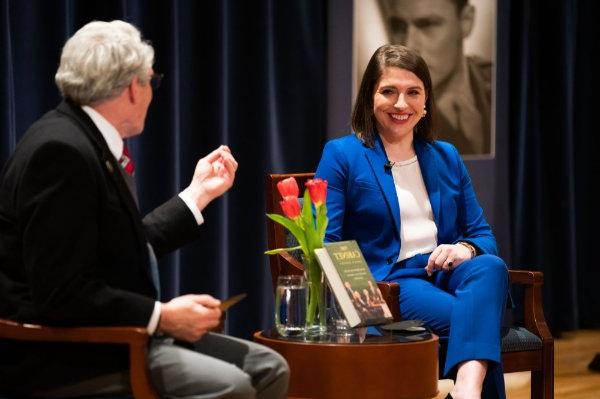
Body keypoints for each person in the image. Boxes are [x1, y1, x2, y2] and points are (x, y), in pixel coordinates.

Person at [0, 20, 289, 398]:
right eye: (151, 81)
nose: (152, 92)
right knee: (231, 386)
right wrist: (163, 317)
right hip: (68, 354)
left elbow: (117, 247)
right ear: (134, 87)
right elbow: (62, 295)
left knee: (269, 368)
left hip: (115, 335)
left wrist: (197, 194)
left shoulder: (82, 138)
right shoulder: (62, 152)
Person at [315, 44, 508, 399]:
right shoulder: (343, 154)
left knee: (490, 266)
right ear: (370, 97)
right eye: (389, 91)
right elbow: (329, 241)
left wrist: (464, 248)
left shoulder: (446, 156)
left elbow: (482, 235)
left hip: (446, 271)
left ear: (426, 102)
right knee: (477, 319)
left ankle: (466, 390)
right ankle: (469, 392)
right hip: (394, 283)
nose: (401, 104)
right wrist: (367, 311)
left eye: (413, 93)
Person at [377, 0, 492, 156]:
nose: (409, 46)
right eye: (399, 26)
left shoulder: (499, 84)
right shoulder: (381, 117)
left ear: (466, 21)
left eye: (427, 25)